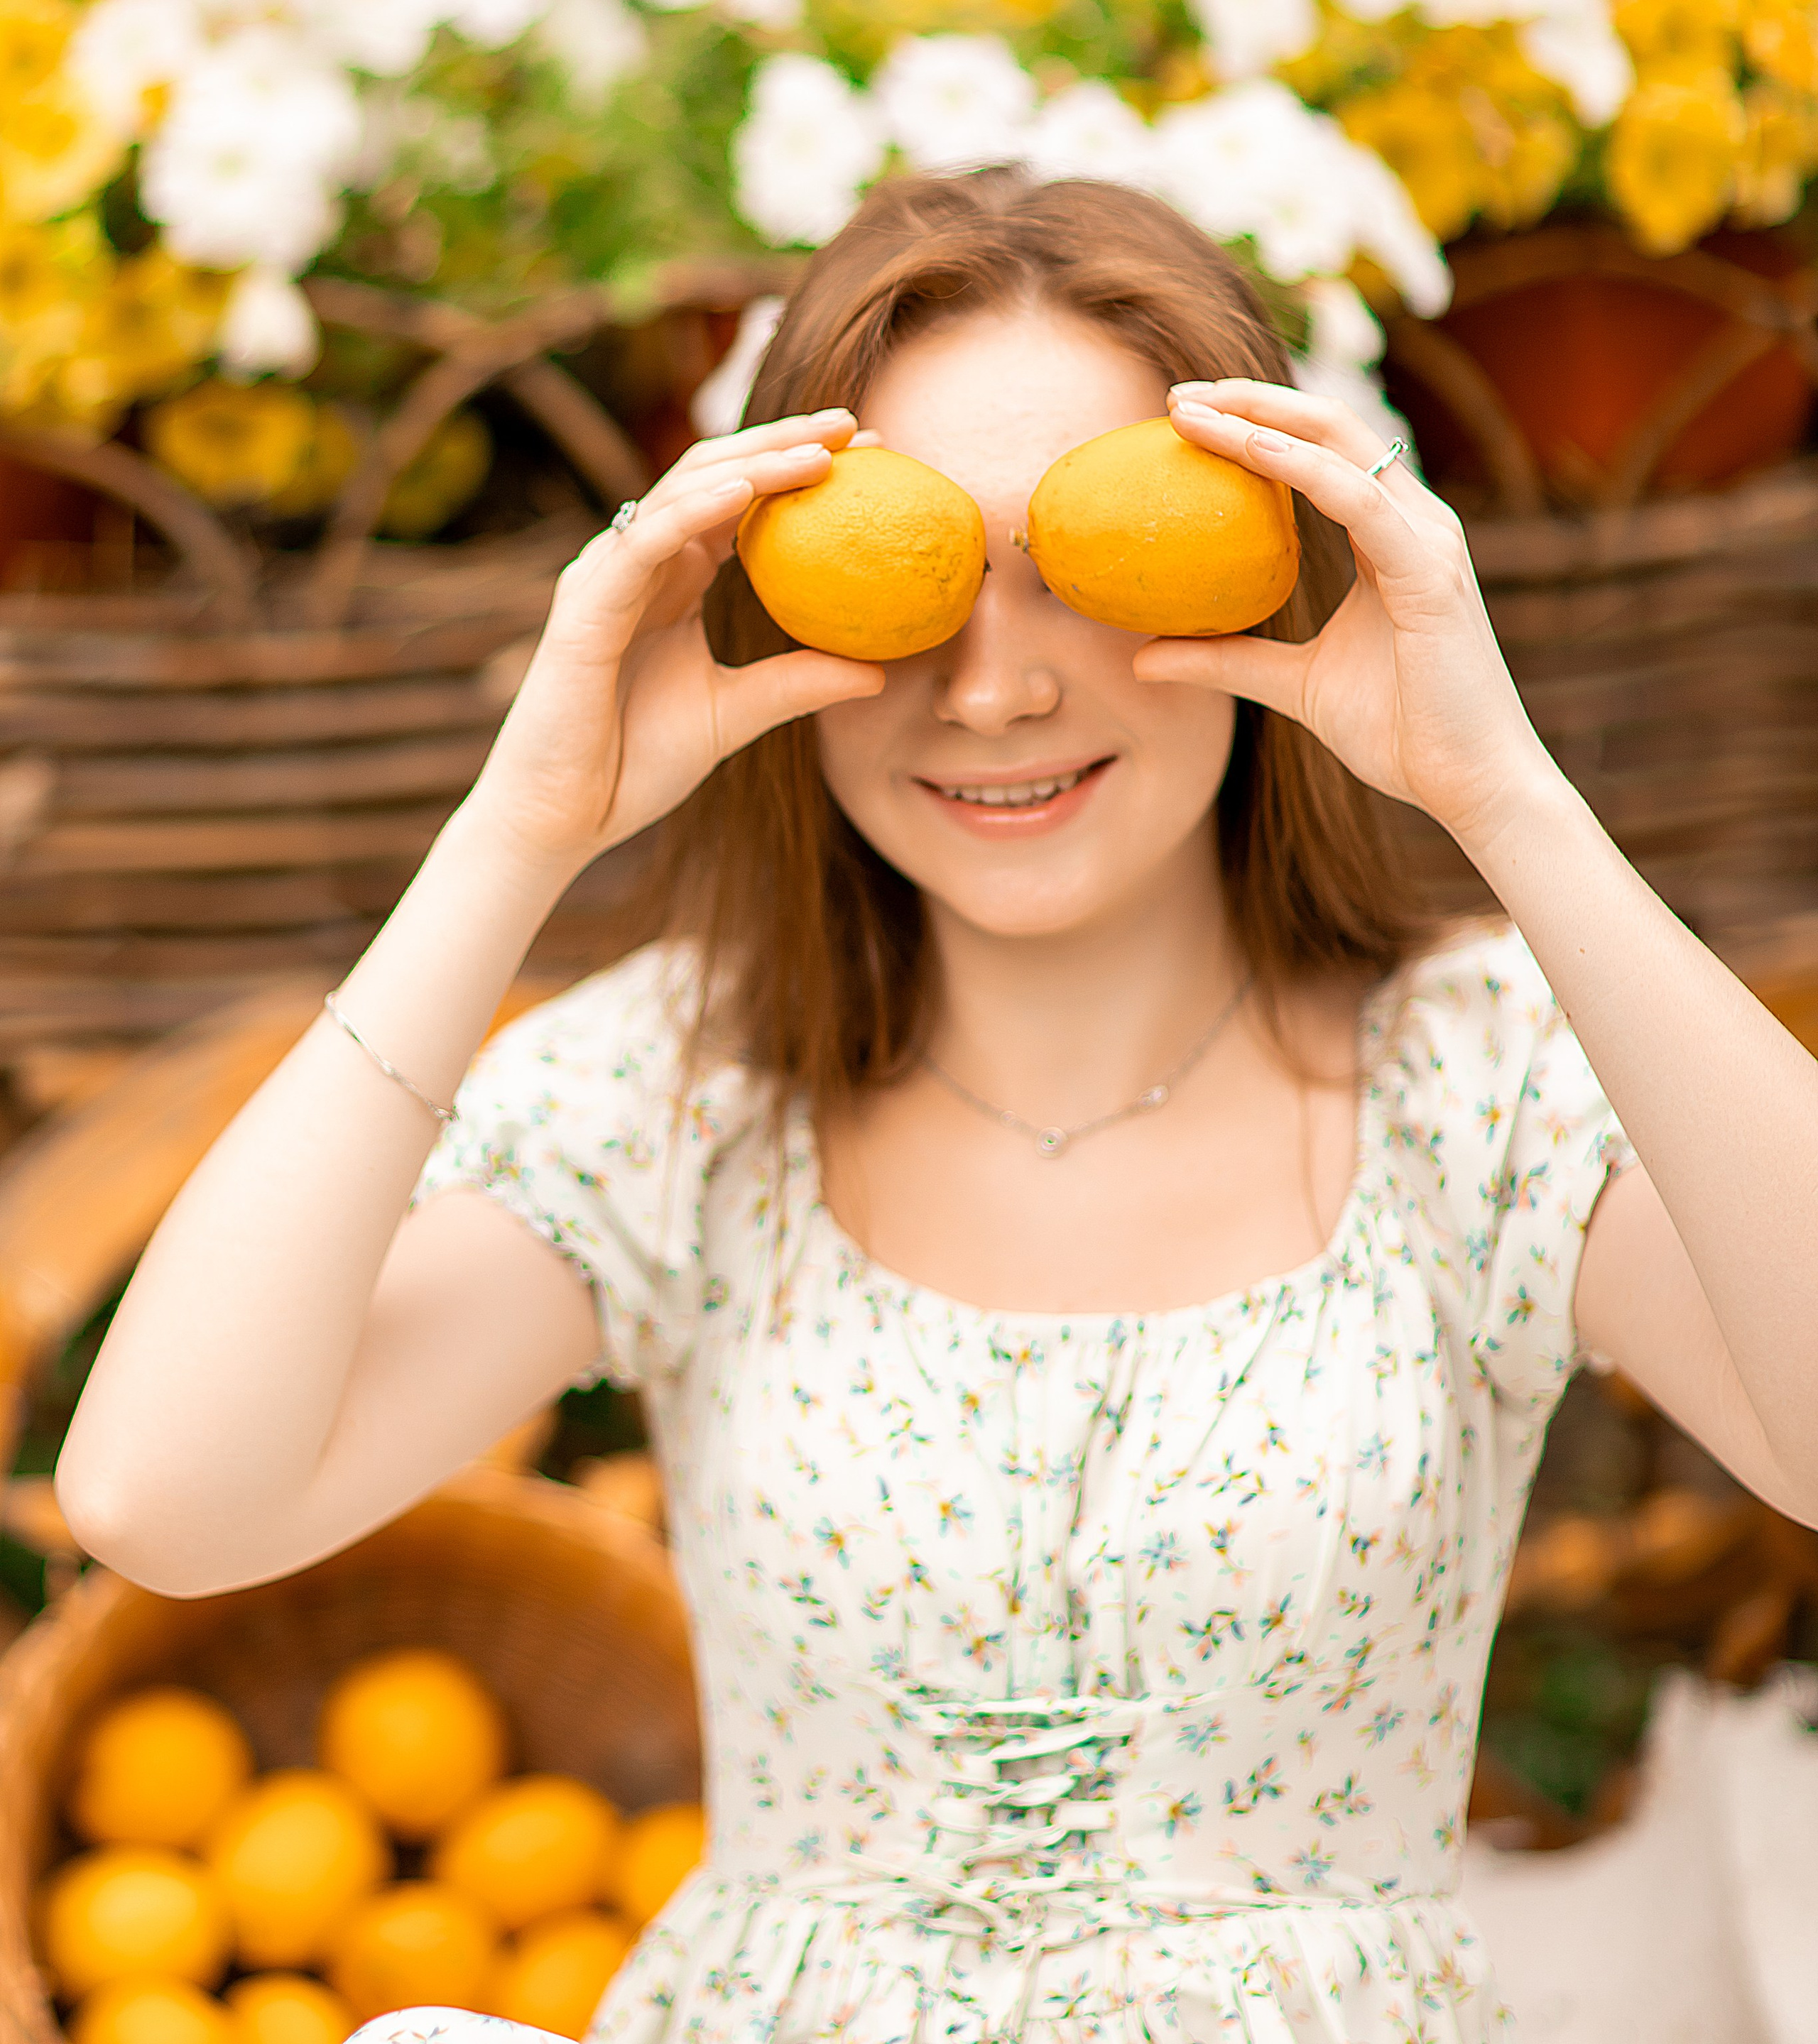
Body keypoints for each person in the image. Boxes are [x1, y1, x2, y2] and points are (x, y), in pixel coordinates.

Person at [55, 175, 1818, 2044]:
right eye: (915, 583)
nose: (995, 687)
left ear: (1261, 560)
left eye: (1089, 560)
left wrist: (1502, 789)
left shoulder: (1475, 1082)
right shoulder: (686, 1096)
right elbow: (159, 1498)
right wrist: (521, 829)